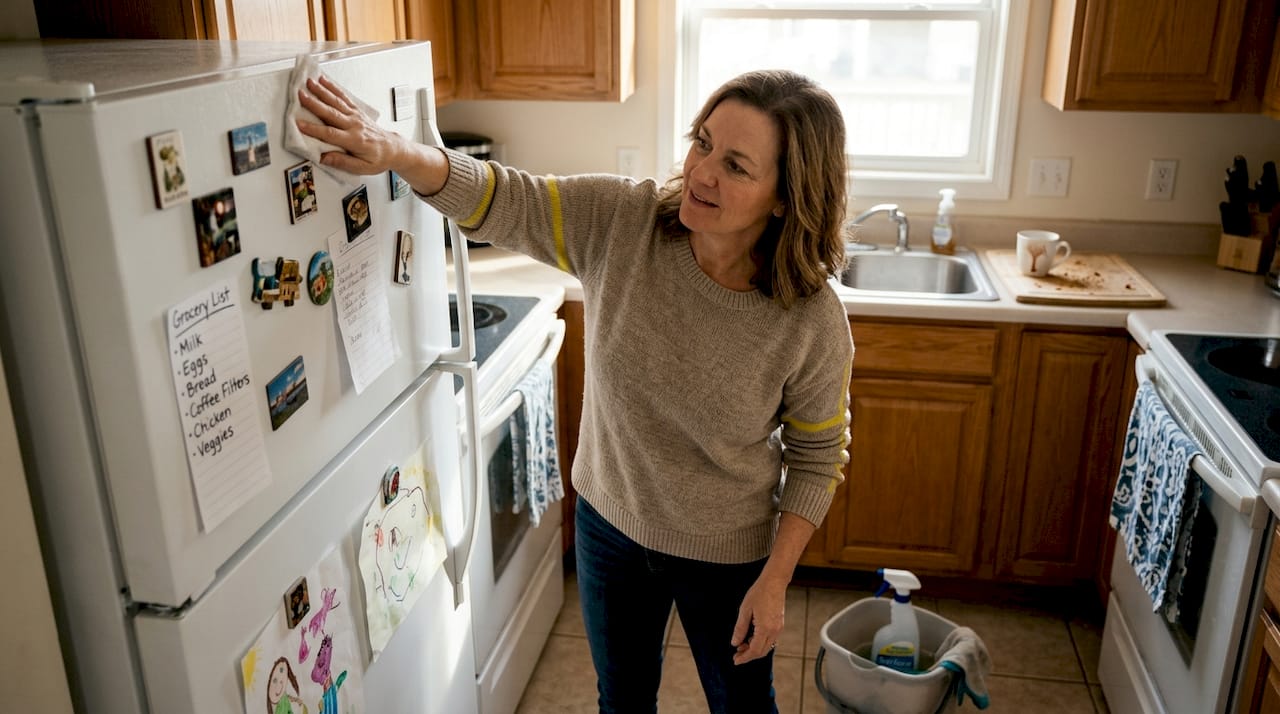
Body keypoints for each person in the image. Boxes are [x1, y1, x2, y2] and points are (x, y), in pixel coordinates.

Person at [297, 68, 854, 713]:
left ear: (785, 197)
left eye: (736, 165)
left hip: (728, 556)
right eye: (702, 142)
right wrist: (398, 154)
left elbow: (816, 458)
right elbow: (509, 198)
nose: (701, 173)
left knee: (744, 707)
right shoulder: (625, 222)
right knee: (621, 703)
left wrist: (776, 581)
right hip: (610, 529)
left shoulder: (810, 319)